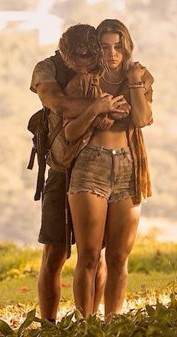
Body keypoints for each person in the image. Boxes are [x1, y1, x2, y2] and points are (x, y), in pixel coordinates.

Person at [30, 24, 126, 321]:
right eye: (78, 57)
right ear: (64, 52)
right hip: (61, 166)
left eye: (89, 55)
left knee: (95, 254)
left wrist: (104, 109)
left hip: (98, 163)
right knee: (55, 253)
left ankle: (91, 321)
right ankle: (49, 323)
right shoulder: (47, 68)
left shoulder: (104, 65)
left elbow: (129, 104)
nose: (84, 61)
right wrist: (99, 108)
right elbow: (58, 104)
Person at [64, 19, 154, 320]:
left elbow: (141, 119)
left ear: (126, 46)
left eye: (118, 46)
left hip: (128, 165)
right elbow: (70, 133)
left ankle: (112, 322)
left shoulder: (140, 77)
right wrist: (96, 109)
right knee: (89, 255)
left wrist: (135, 83)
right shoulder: (81, 82)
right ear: (97, 49)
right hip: (91, 164)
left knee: (118, 257)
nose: (112, 53)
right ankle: (85, 322)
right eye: (105, 47)